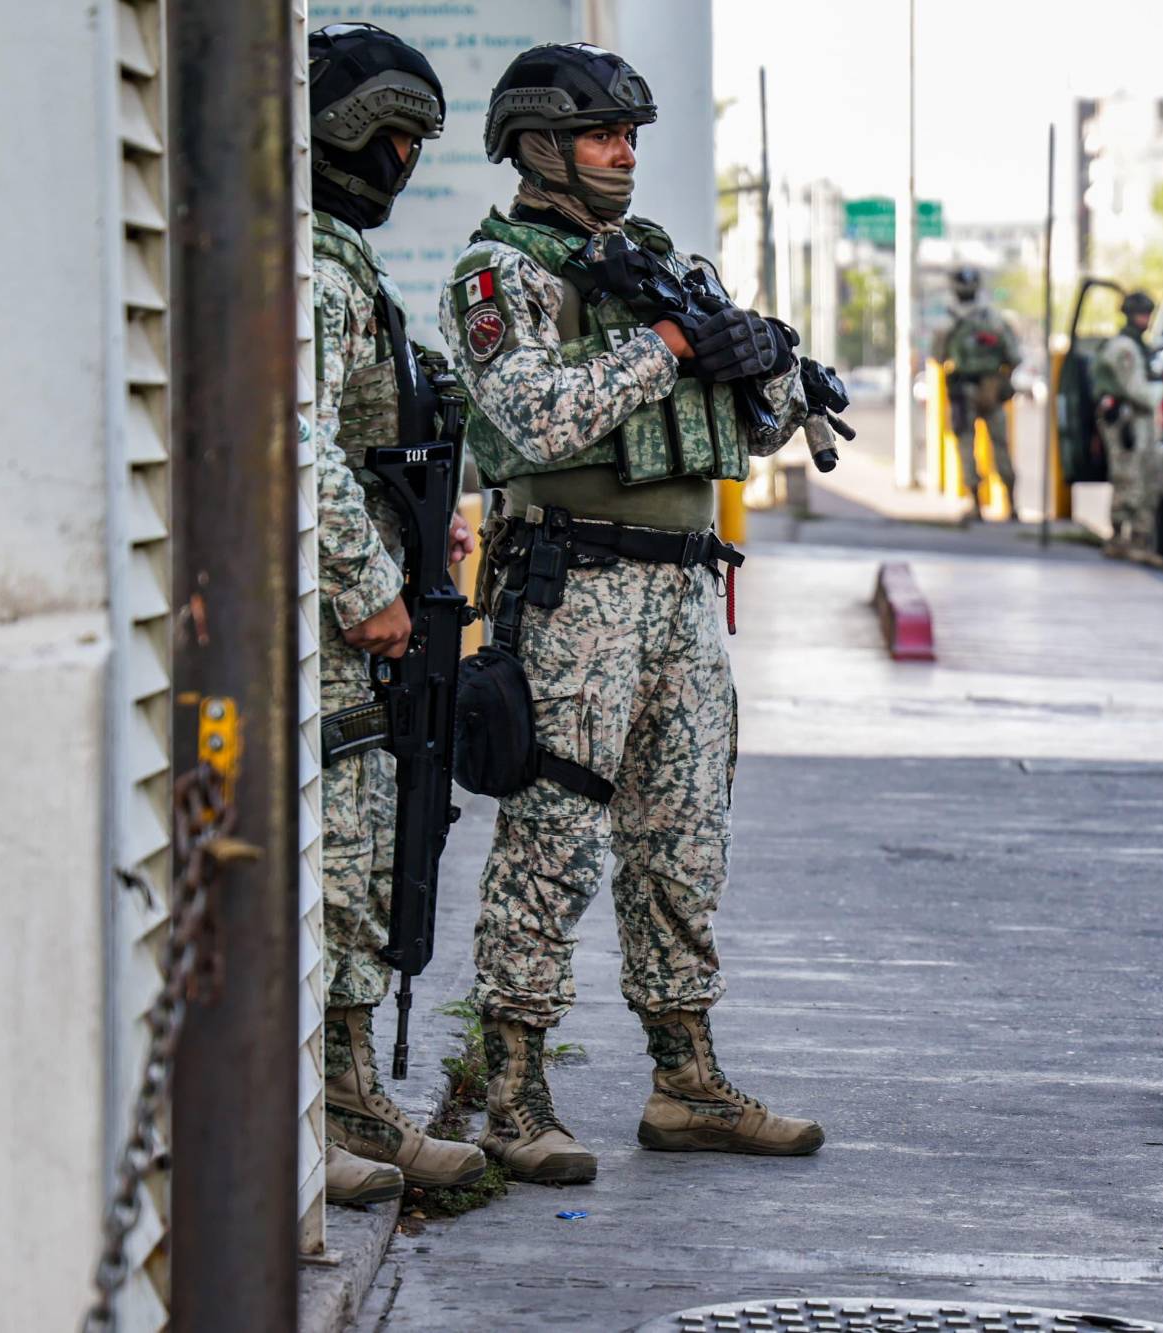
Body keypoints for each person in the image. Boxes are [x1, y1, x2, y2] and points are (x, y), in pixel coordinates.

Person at [441, 41, 825, 1185]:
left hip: (682, 588)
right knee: (551, 840)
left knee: (681, 840)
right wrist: (664, 347)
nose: (623, 155)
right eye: (604, 134)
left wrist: (764, 365)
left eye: (630, 137)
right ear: (539, 144)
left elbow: (756, 435)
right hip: (575, 587)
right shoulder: (495, 274)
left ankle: (685, 1079)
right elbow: (533, 415)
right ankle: (511, 1093)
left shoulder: (664, 263)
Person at [307, 22, 487, 1206]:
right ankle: (311, 1115)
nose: (410, 166)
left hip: (371, 627)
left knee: (375, 862)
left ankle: (356, 1101)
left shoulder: (342, 265)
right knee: (333, 874)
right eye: (400, 141)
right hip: (333, 627)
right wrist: (367, 584)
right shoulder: (313, 273)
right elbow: (298, 437)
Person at [1089, 290, 1163, 566]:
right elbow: (1138, 391)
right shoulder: (1124, 348)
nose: (1145, 319)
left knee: (1149, 478)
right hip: (1126, 422)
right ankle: (1119, 539)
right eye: (1141, 313)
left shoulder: (1139, 347)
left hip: (1141, 422)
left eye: (1148, 314)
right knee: (1129, 478)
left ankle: (1139, 540)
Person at [932, 266, 1022, 520]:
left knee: (965, 446)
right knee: (1001, 447)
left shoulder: (946, 324)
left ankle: (975, 505)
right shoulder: (995, 320)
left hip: (963, 391)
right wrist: (1001, 381)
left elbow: (938, 359)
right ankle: (1012, 505)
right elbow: (1014, 357)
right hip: (992, 391)